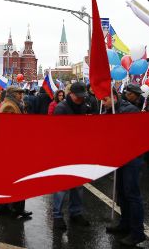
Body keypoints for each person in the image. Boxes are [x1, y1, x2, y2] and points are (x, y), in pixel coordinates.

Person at [103, 89, 146, 247]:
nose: (103, 103)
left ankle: (137, 232)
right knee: (121, 192)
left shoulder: (129, 110)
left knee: (132, 194)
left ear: (114, 98)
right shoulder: (109, 111)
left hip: (132, 158)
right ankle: (125, 224)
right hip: (119, 157)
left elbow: (133, 134)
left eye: (105, 99)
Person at [52, 82, 91, 230]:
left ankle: (76, 213)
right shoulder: (61, 108)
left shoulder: (83, 106)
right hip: (63, 152)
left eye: (83, 97)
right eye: (78, 97)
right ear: (71, 94)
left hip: (79, 151)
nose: (81, 99)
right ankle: (57, 216)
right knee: (61, 186)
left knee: (78, 185)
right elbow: (56, 133)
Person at [0, 86, 32, 220]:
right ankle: (11, 209)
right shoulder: (9, 107)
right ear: (12, 94)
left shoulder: (15, 104)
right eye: (19, 93)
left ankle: (14, 208)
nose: (21, 95)